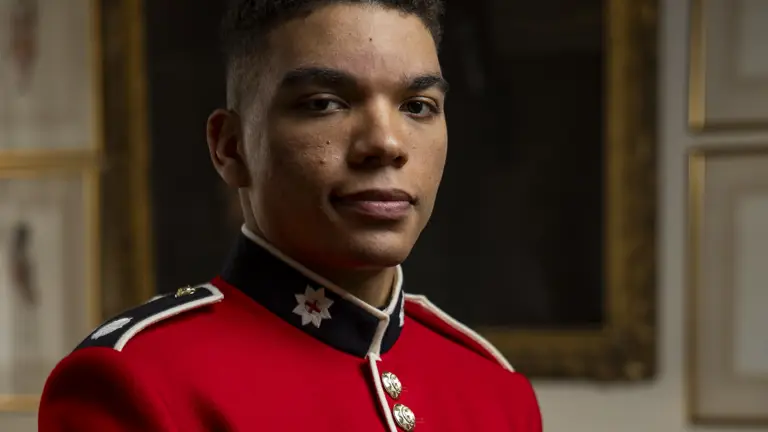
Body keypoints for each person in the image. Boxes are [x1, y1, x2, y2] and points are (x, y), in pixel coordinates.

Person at [38, 0, 543, 430]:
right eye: (325, 103)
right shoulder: (140, 383)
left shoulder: (497, 393)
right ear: (230, 147)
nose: (386, 144)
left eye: (417, 106)